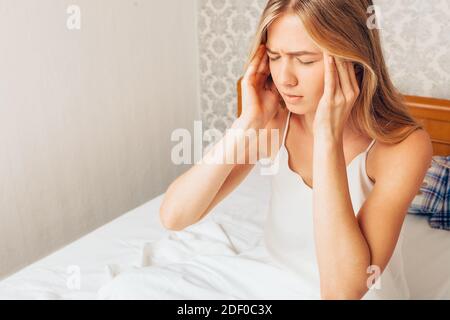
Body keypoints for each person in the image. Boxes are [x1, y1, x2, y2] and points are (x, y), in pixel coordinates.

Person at [160, 0, 433, 299]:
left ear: (353, 59)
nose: (285, 78)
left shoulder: (403, 146)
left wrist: (327, 136)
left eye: (304, 60)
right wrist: (249, 120)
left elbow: (342, 292)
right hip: (272, 280)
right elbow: (175, 217)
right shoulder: (277, 120)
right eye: (275, 57)